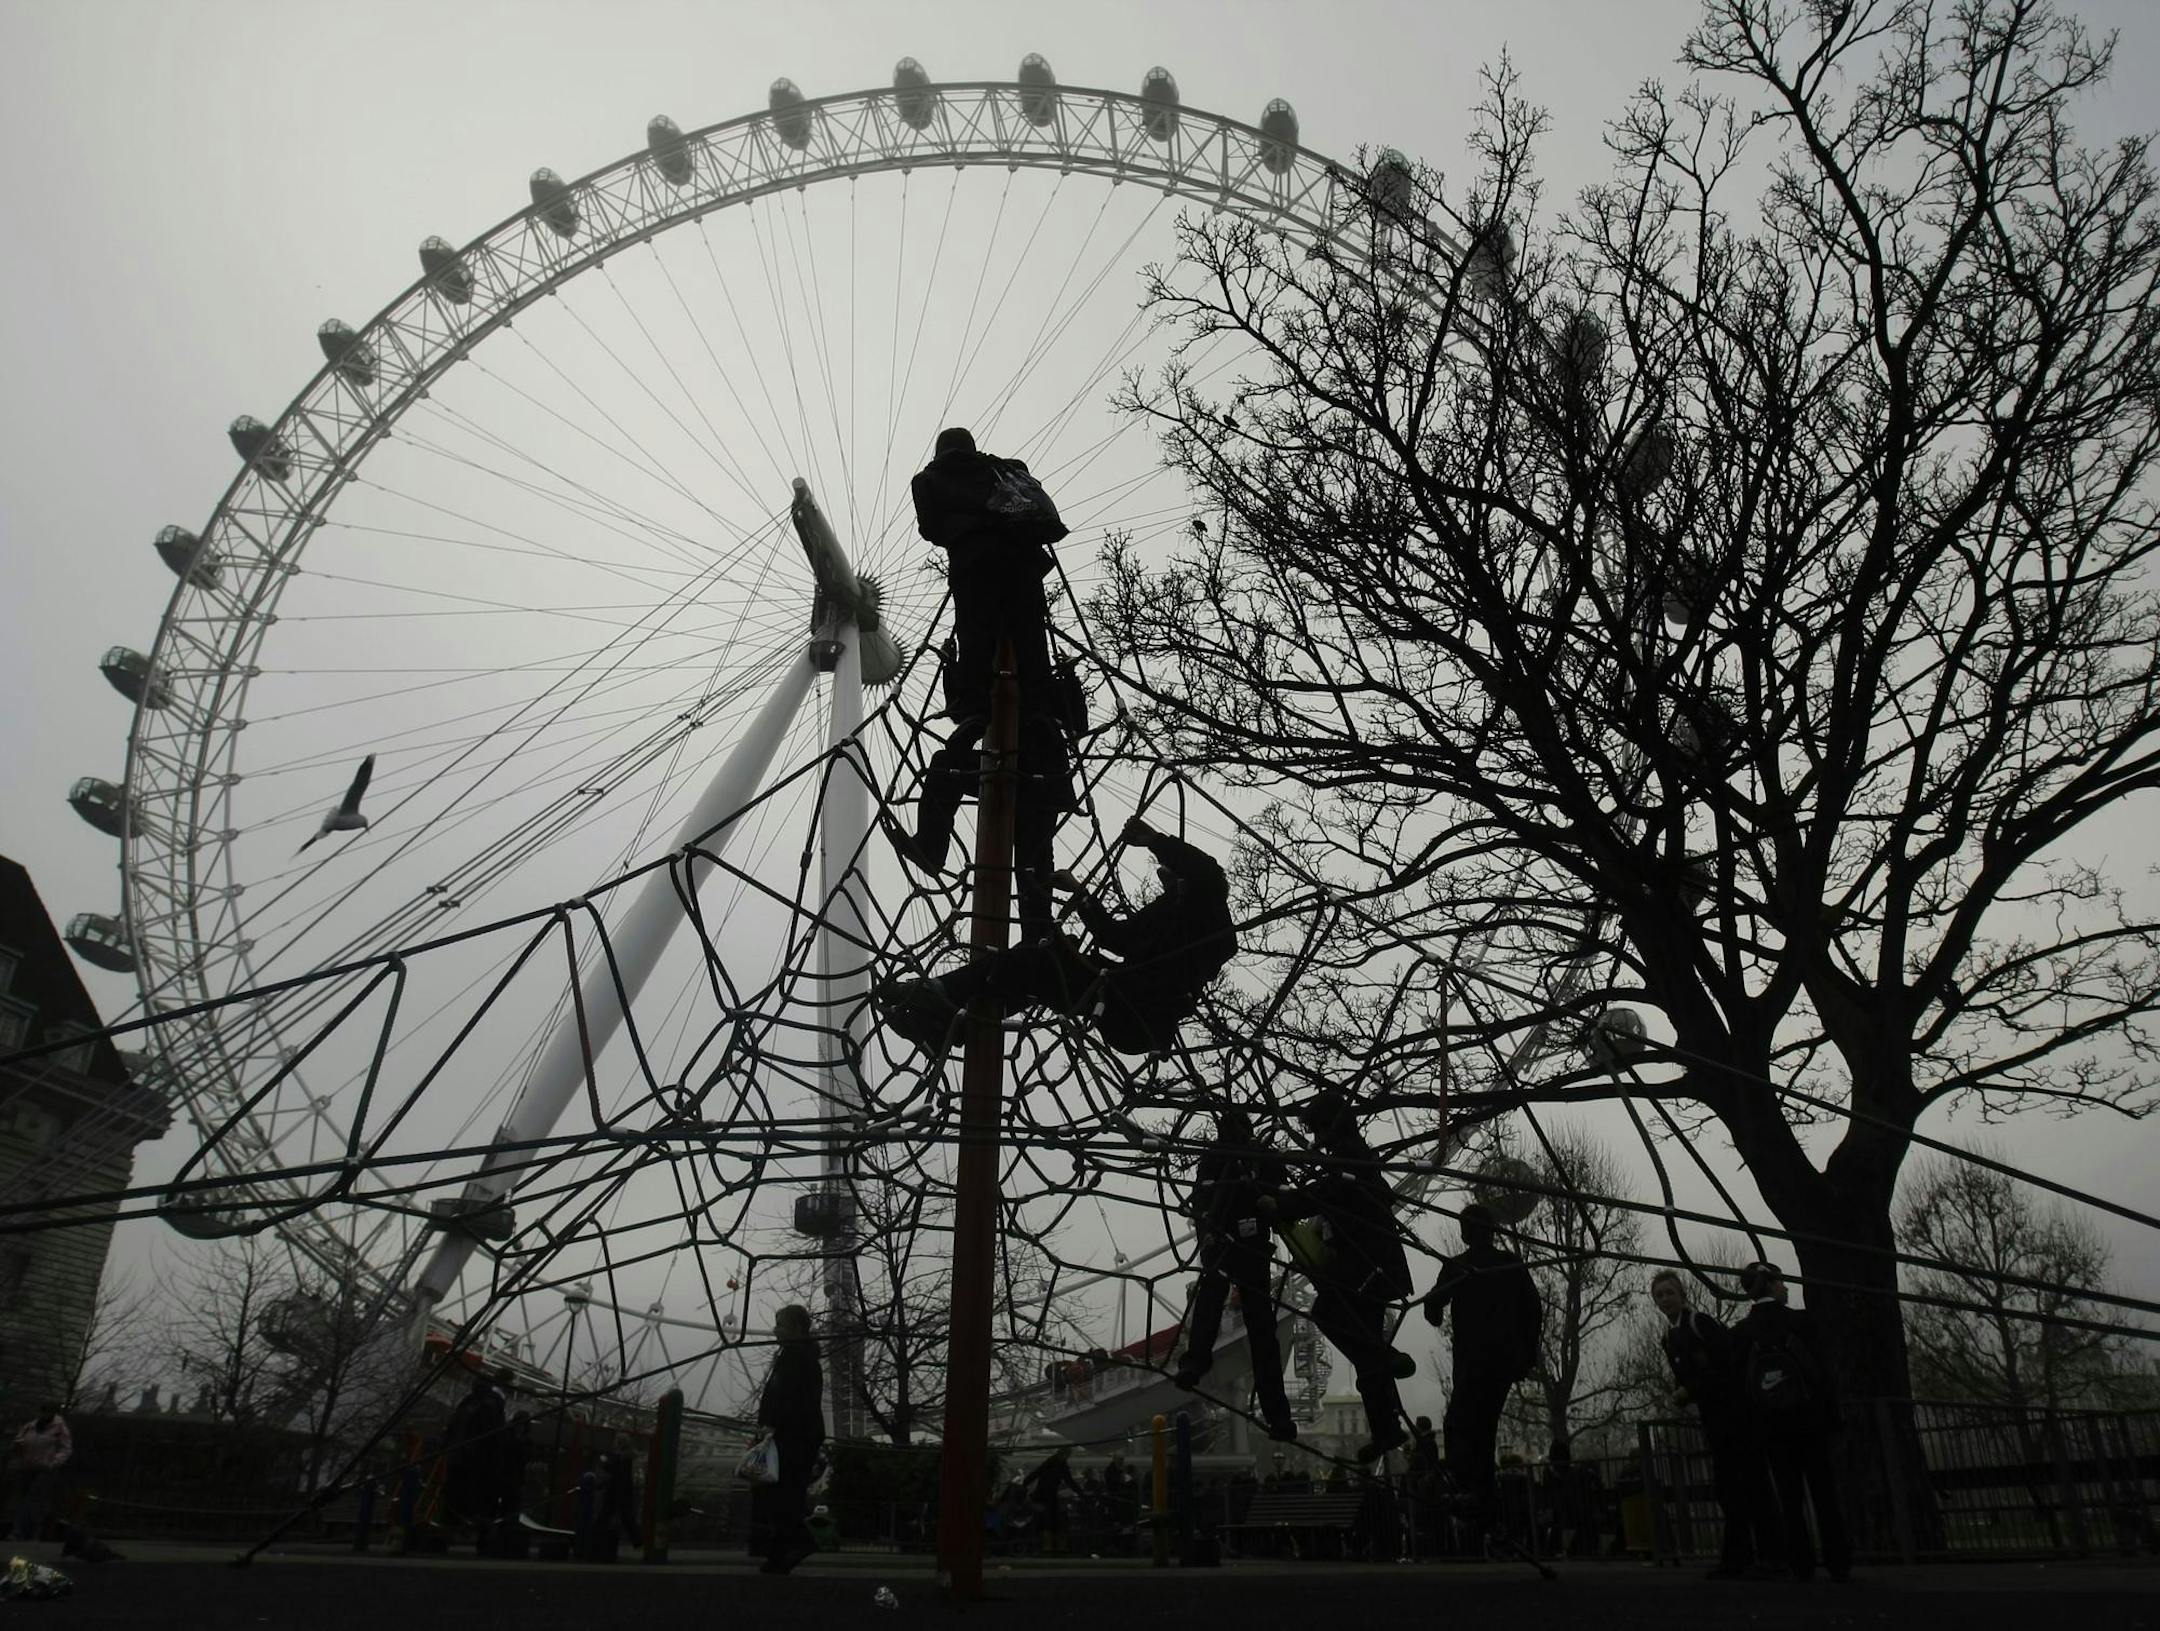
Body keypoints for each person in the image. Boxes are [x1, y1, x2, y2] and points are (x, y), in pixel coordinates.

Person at [877, 814, 1235, 1058]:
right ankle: (948, 1027)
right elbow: (1117, 937)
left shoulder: (1211, 916)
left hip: (1137, 1006)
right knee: (1032, 970)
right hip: (1121, 998)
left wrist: (1156, 841)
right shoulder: (1171, 910)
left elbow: (1206, 874)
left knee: (1040, 957)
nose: (1166, 879)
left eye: (1174, 877)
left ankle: (935, 995)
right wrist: (1079, 893)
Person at [1263, 1093, 1418, 1462]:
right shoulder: (1354, 1154)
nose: (1316, 1137)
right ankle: (1386, 1426)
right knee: (1364, 1347)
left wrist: (1282, 1203)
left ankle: (1387, 1358)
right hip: (1373, 1266)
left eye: (1317, 1129)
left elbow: (1328, 1193)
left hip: (1365, 1265)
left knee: (1330, 1316)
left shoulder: (1350, 1157)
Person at [909, 426, 1067, 725]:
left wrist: (962, 531)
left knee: (975, 635)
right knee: (1031, 635)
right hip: (1022, 561)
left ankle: (974, 710)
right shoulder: (1006, 469)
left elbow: (929, 529)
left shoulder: (927, 479)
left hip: (973, 563)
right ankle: (1041, 711)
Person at [1174, 1109, 1299, 1441]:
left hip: (1244, 1243)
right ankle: (1276, 1414)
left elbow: (1282, 1195)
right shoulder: (1227, 1157)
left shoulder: (1247, 1157)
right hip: (1231, 1240)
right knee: (1255, 1328)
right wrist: (1208, 1229)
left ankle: (1196, 1364)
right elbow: (1202, 1200)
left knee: (1235, 1315)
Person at [1421, 1204, 1542, 1533]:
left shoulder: (1460, 1266)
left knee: (1461, 1422)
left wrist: (1434, 1311)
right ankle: (1484, 1502)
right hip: (1503, 1362)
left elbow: (1434, 1306)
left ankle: (1470, 1490)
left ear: (1466, 1232)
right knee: (1483, 1428)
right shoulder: (1508, 1264)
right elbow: (1533, 1311)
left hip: (1474, 1360)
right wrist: (1526, 1358)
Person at [1650, 1268, 1779, 1577]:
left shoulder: (1700, 1324)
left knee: (1748, 1484)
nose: (1665, 1299)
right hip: (1716, 1419)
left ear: (1683, 1294)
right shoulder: (1670, 1338)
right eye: (1659, 1295)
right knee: (1731, 1487)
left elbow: (1726, 1365)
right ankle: (1746, 1555)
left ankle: (1765, 1555)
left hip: (1737, 1416)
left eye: (1669, 1292)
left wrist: (1691, 1390)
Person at [1730, 1262, 1851, 1583]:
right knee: (1823, 1492)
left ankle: (1801, 1563)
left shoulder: (1741, 1334)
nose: (1785, 1287)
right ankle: (1838, 1561)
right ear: (1770, 1285)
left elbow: (1740, 1389)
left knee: (1789, 1496)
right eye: (1781, 1282)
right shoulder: (1801, 1322)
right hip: (1809, 1421)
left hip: (1771, 1429)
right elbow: (1823, 1373)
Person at [755, 1304, 827, 1576]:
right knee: (785, 1495)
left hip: (791, 1437)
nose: (775, 1330)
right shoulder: (799, 1357)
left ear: (796, 1327)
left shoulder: (796, 1359)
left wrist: (769, 1428)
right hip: (796, 1436)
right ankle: (779, 1555)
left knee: (781, 1494)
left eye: (780, 1324)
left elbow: (788, 1400)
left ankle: (793, 1546)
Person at [440, 1370, 507, 1551]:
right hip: (471, 1460)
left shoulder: (473, 1403)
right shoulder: (487, 1403)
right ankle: (480, 1538)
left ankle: (456, 1534)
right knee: (476, 1501)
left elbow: (456, 1428)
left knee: (465, 1499)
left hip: (467, 1460)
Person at [9, 1403, 72, 1542]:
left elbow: (66, 1448)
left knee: (33, 1499)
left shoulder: (59, 1428)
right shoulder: (30, 1426)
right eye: (42, 1411)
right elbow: (19, 1440)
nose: (43, 1414)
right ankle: (26, 1531)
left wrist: (54, 1462)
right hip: (26, 1467)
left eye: (47, 1411)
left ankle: (22, 1532)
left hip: (45, 1469)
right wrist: (18, 1446)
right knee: (23, 1499)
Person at [1025, 1445, 1081, 1556]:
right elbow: (1069, 1480)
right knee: (1052, 1520)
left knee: (1050, 1520)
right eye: (1067, 1455)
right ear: (1064, 1454)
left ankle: (1049, 1546)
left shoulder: (1053, 1462)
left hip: (1046, 1496)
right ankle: (1053, 1546)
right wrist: (1081, 1493)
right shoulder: (1059, 1464)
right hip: (1047, 1496)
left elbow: (1037, 1472)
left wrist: (1025, 1483)